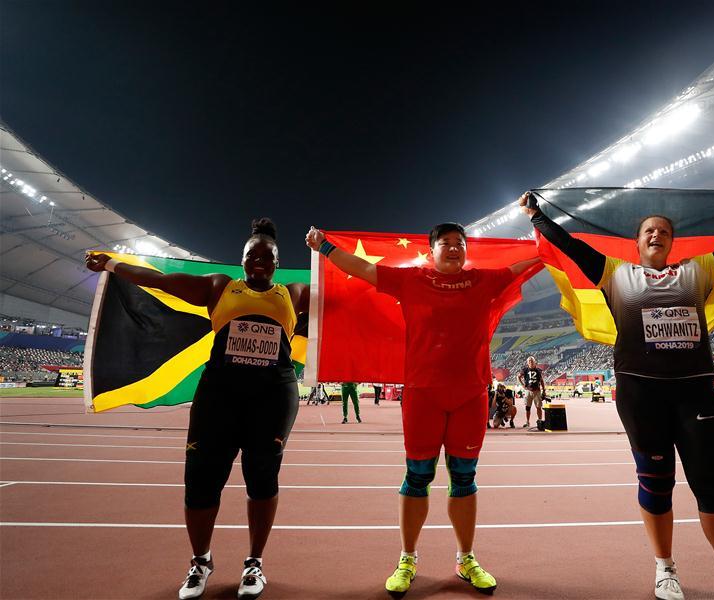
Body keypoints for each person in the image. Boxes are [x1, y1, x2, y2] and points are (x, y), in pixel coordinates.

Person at [521, 191, 714, 600]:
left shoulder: (699, 271)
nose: (656, 234)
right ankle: (665, 567)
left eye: (663, 231)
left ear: (671, 243)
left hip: (696, 392)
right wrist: (537, 217)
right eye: (648, 231)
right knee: (656, 484)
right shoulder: (615, 274)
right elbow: (570, 246)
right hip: (641, 395)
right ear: (637, 243)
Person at [307, 222, 539, 596]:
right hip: (423, 395)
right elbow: (363, 269)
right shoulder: (411, 280)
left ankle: (466, 559)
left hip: (470, 395)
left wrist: (554, 240)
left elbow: (525, 265)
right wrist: (325, 248)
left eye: (459, 243)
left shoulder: (483, 280)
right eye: (445, 243)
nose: (453, 248)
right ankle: (407, 558)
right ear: (431, 250)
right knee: (417, 477)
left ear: (466, 250)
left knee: (464, 479)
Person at [86, 218, 308, 600]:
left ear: (276, 261)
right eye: (251, 255)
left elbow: (350, 293)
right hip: (219, 394)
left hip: (273, 395)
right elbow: (159, 281)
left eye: (265, 256)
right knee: (201, 482)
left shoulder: (294, 292)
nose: (258, 261)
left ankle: (254, 563)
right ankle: (200, 561)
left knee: (262, 478)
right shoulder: (219, 286)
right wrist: (111, 264)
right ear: (241, 261)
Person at [517, 356, 545, 428]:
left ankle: (540, 421)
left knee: (539, 407)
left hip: (537, 391)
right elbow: (518, 377)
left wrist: (544, 390)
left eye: (532, 361)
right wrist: (523, 386)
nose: (530, 362)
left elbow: (541, 381)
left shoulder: (539, 370)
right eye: (529, 361)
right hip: (528, 391)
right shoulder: (525, 370)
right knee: (527, 407)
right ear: (527, 363)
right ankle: (527, 422)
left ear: (535, 362)